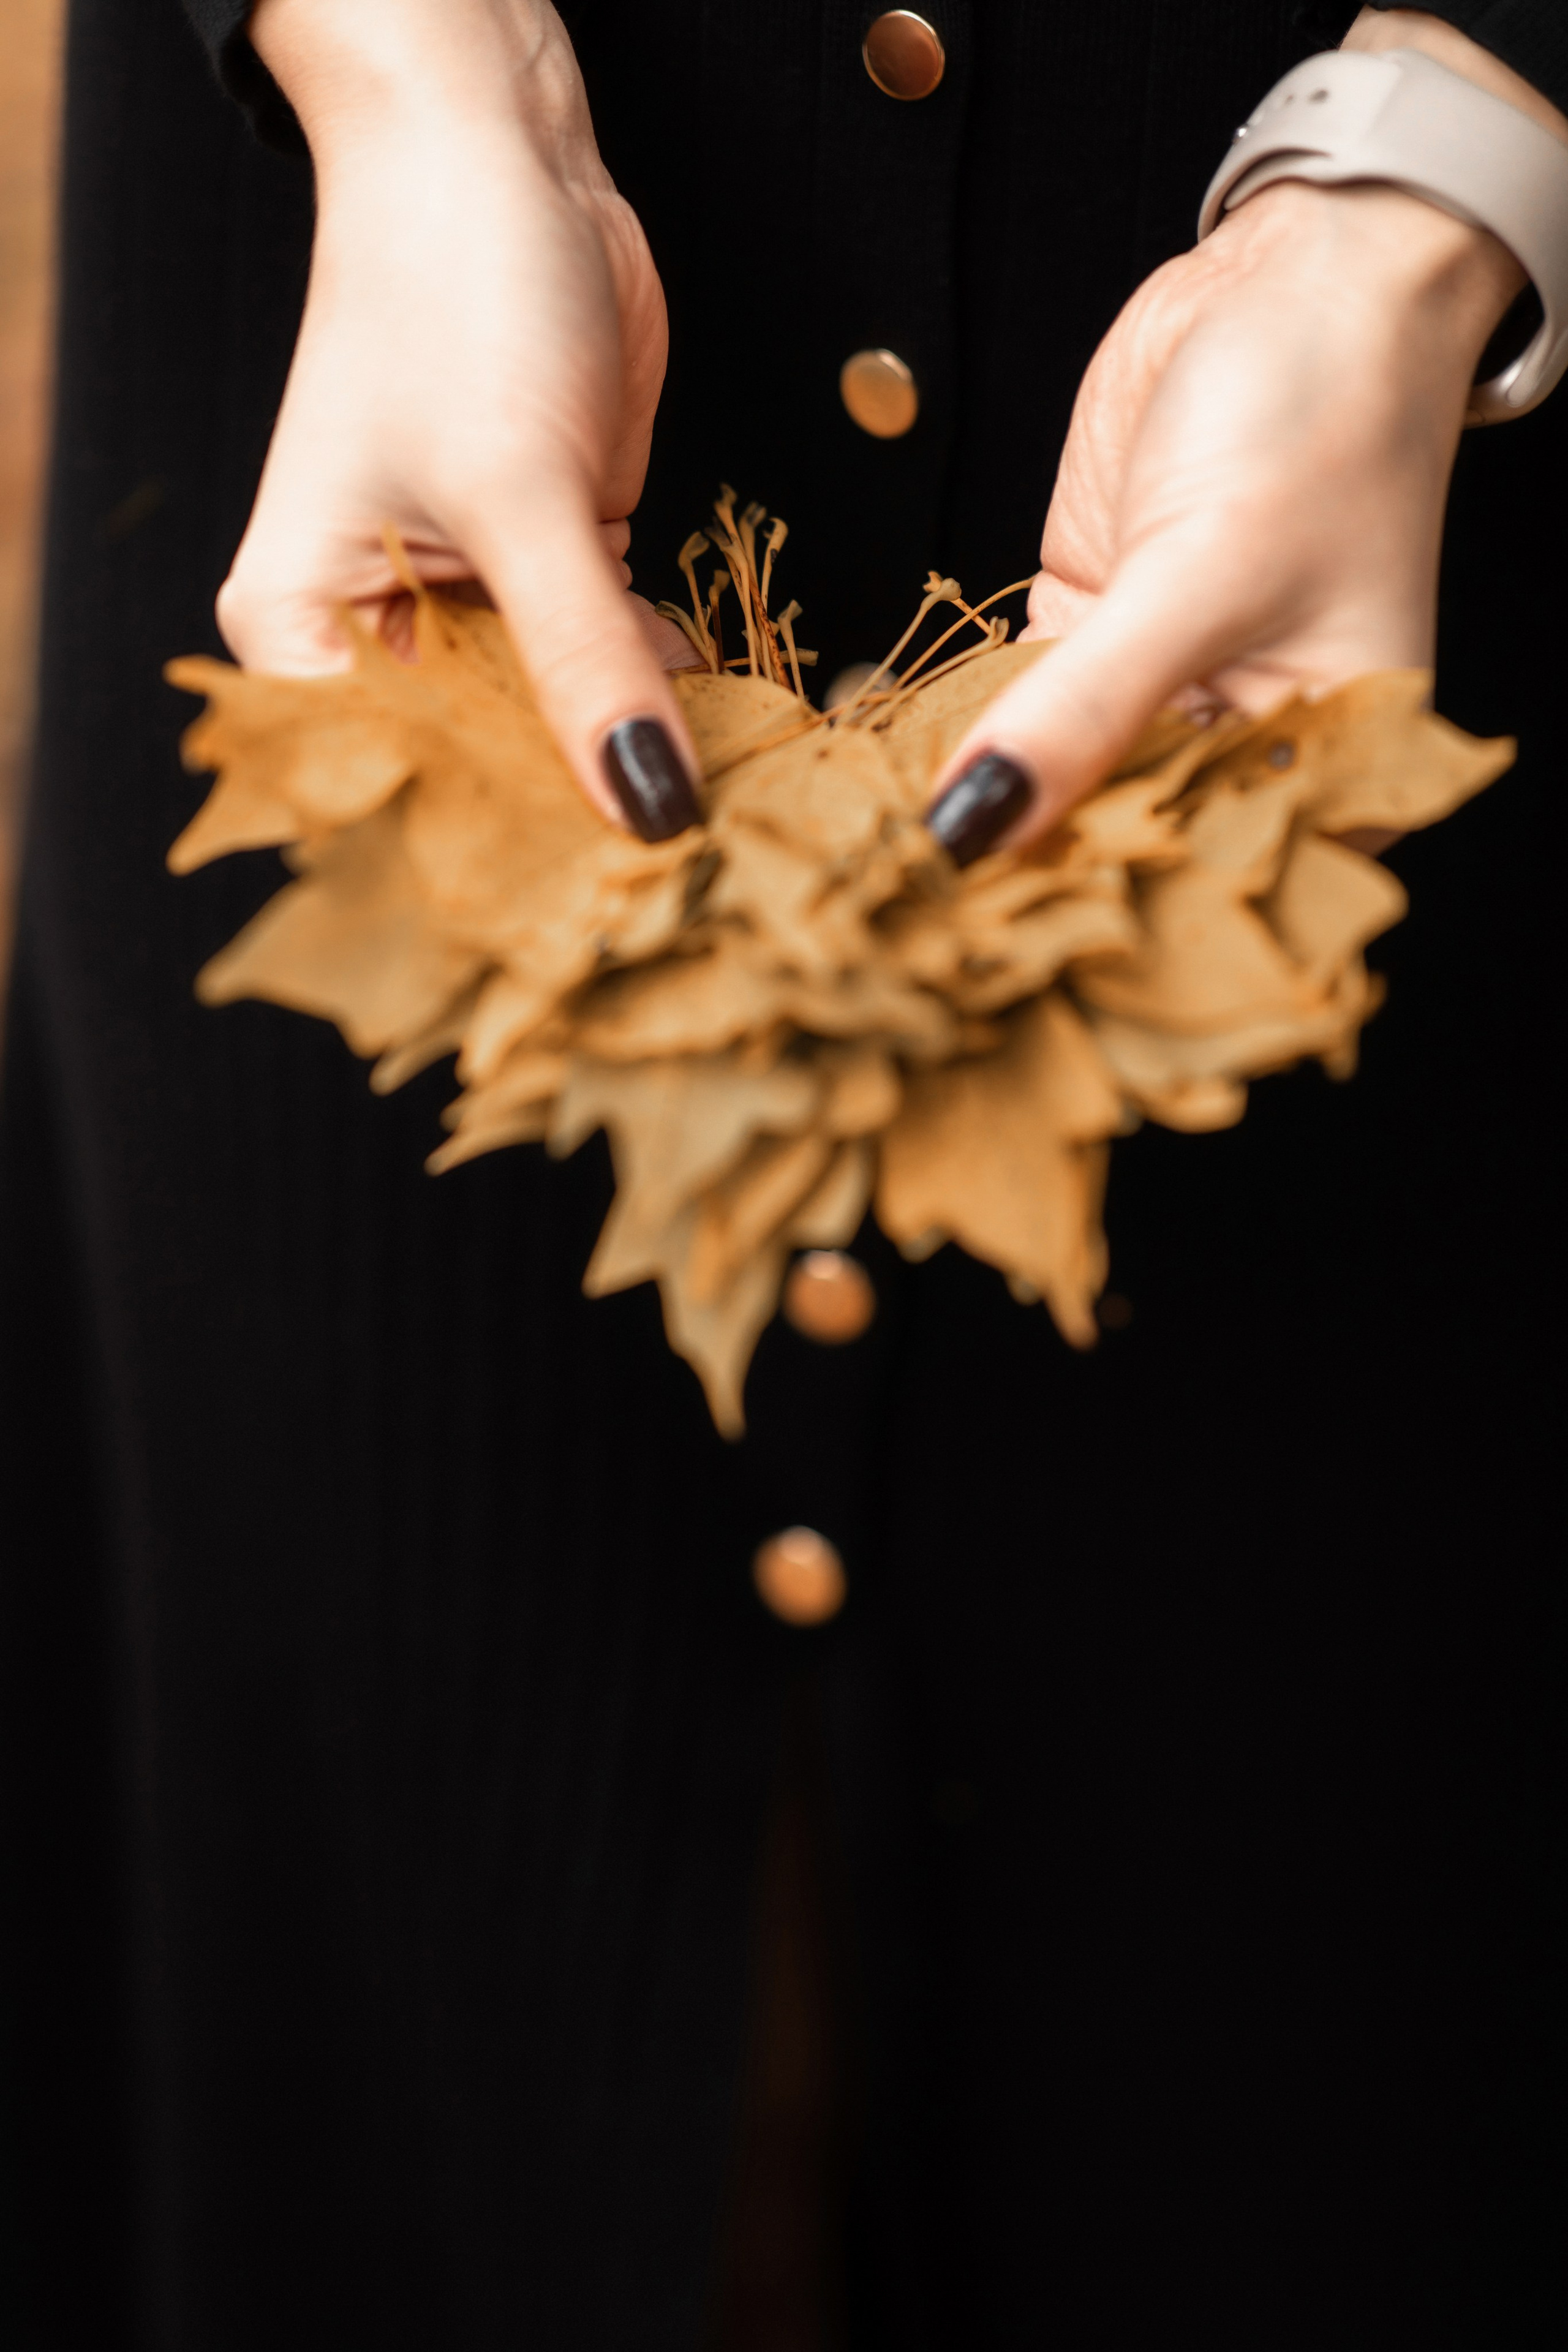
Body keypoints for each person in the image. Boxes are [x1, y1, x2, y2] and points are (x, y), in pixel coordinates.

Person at [2, 2, 1564, 2343]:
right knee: (372, 2043)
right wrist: (409, 76)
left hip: (1388, 496)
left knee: (1332, 2039)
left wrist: (1442, 173)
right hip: (388, 397)